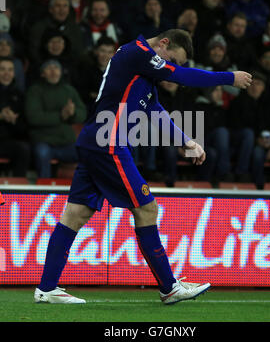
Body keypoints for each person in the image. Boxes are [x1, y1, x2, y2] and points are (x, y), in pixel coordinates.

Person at [34, 29, 252, 305]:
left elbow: (155, 111)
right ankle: (169, 287)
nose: (173, 67)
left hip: (95, 140)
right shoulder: (138, 53)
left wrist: (186, 141)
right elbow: (180, 75)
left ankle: (46, 288)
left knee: (75, 214)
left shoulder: (143, 70)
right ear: (163, 43)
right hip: (107, 143)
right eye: (172, 58)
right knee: (146, 207)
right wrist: (229, 77)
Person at [25, 60, 87, 178]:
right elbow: (34, 117)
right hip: (44, 142)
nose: (53, 71)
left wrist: (73, 114)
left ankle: (83, 191)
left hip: (67, 143)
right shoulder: (35, 91)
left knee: (90, 153)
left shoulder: (69, 90)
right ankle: (44, 191)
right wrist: (60, 116)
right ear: (42, 73)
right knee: (42, 154)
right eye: (49, 68)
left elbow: (82, 114)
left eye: (56, 68)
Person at [0, 58, 30, 177]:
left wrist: (13, 121)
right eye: (2, 69)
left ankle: (19, 189)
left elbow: (24, 127)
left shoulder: (20, 95)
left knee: (23, 149)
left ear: (14, 73)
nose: (6, 73)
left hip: (9, 141)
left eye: (10, 70)